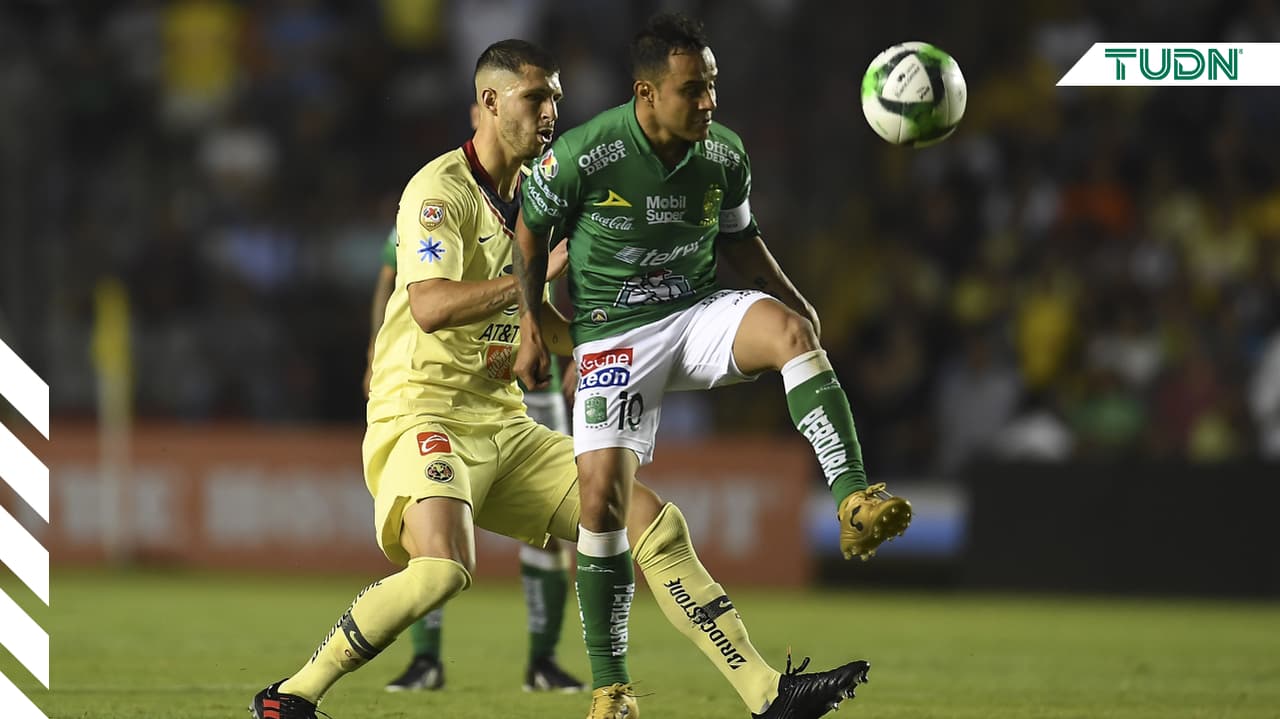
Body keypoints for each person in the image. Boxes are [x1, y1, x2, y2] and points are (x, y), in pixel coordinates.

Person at [251, 38, 870, 719]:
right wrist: (528, 279)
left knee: (654, 523)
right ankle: (290, 697)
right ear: (488, 102)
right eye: (535, 97)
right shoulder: (439, 192)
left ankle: (767, 694)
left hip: (505, 423)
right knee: (442, 571)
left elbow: (539, 315)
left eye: (556, 98)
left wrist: (581, 350)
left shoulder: (539, 194)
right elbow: (429, 305)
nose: (551, 111)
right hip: (421, 414)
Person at [512, 12, 914, 704]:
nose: (708, 103)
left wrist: (794, 299)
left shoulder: (724, 154)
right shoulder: (584, 153)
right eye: (693, 89)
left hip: (696, 313)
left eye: (713, 87)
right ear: (646, 93)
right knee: (601, 502)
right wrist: (532, 322)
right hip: (613, 335)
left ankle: (853, 499)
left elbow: (741, 239)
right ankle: (611, 688)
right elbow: (528, 233)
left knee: (792, 335)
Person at [363, 227, 585, 694]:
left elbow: (580, 275)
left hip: (533, 381)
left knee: (548, 535)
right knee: (430, 527)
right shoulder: (447, 205)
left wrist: (585, 345)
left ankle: (543, 662)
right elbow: (392, 273)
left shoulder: (554, 193)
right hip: (456, 388)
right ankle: (425, 659)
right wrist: (376, 346)